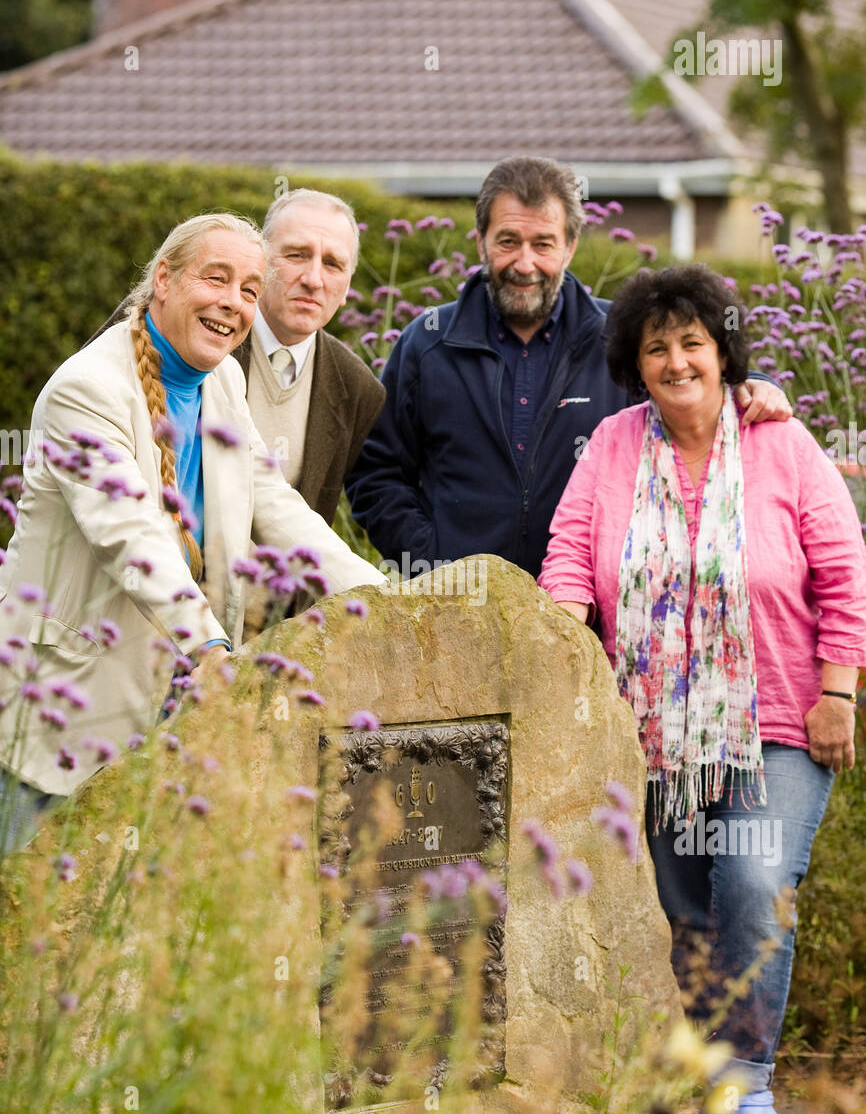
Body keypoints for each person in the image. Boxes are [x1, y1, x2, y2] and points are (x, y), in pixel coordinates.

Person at [539, 263, 866, 1114]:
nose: (677, 360)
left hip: (785, 721)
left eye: (693, 342)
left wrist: (840, 690)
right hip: (651, 731)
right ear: (635, 364)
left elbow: (844, 575)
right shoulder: (611, 446)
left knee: (753, 885)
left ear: (722, 352)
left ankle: (747, 1085)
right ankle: (701, 1083)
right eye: (658, 347)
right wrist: (562, 630)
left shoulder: (781, 444)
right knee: (683, 911)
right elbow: (571, 553)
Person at [0, 213, 383, 850]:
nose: (232, 303)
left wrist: (387, 601)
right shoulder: (86, 391)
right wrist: (209, 647)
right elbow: (133, 536)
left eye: (249, 291)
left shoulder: (224, 381)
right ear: (164, 281)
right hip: (61, 708)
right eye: (216, 279)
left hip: (172, 711)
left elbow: (278, 508)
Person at [346, 155, 791, 581]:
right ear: (480, 240)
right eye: (508, 242)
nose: (525, 264)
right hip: (457, 616)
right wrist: (430, 558)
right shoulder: (428, 342)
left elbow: (690, 383)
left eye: (543, 244)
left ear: (571, 246)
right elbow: (375, 471)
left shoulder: (624, 338)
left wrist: (752, 382)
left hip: (593, 619)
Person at [89, 188, 385, 526]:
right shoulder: (174, 325)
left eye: (332, 264)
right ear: (261, 262)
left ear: (347, 286)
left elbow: (294, 512)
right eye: (296, 255)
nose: (313, 279)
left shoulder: (358, 388)